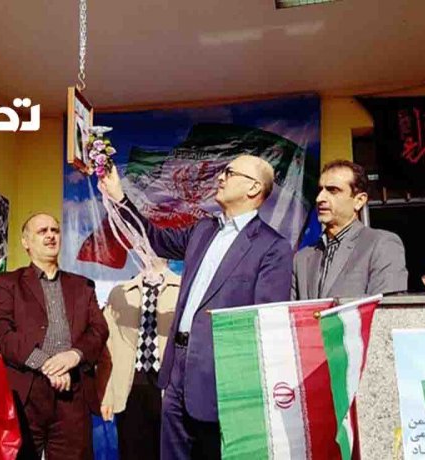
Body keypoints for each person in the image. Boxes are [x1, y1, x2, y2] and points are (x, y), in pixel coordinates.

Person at [99, 154, 293, 460]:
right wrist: (119, 197)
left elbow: (264, 324)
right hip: (177, 366)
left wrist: (241, 385)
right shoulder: (203, 230)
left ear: (254, 188)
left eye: (229, 172)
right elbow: (153, 239)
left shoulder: (272, 247)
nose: (220, 177)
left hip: (221, 376)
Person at [0, 213, 108, 460]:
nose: (51, 236)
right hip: (25, 394)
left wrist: (74, 355)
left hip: (73, 394)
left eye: (55, 230)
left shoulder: (83, 286)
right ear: (26, 241)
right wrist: (44, 363)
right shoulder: (7, 283)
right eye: (42, 231)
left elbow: (99, 329)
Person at [98, 258, 180, 460]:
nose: (149, 249)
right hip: (131, 388)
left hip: (170, 389)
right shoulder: (120, 293)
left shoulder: (183, 290)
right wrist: (106, 395)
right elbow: (107, 347)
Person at [292, 160, 407, 299]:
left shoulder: (381, 245)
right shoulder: (302, 258)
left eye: (333, 190)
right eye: (320, 190)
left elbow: (387, 308)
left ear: (359, 200)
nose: (319, 198)